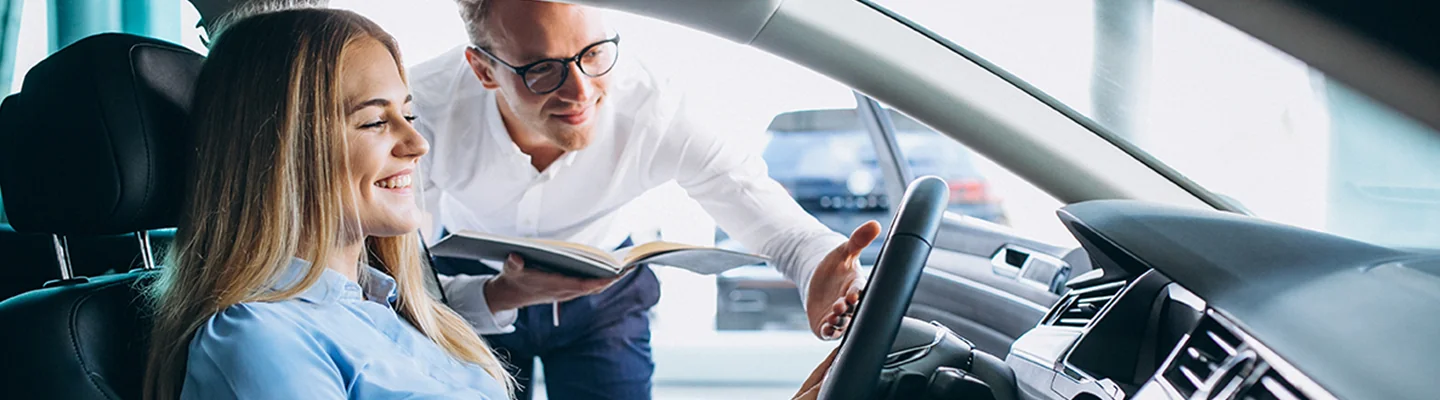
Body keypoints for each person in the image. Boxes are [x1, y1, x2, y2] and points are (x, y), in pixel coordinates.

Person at [410, 0, 878, 398]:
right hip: (467, 289)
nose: (580, 91)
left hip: (604, 295)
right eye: (542, 69)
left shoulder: (657, 111)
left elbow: (787, 234)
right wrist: (493, 296)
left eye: (592, 53)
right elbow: (382, 277)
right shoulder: (420, 112)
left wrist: (822, 268)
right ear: (483, 69)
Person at [141, 9, 515, 399]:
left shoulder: (395, 308)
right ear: (284, 149)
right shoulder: (258, 339)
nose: (418, 144)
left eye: (408, 114)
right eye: (374, 122)